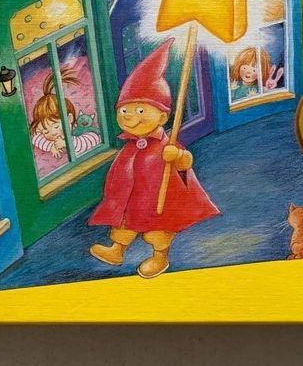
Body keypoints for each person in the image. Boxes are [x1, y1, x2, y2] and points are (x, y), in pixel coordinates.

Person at [89, 38, 220, 278]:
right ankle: (117, 250)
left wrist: (177, 155)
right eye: (124, 110)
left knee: (157, 229)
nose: (129, 116)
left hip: (159, 198)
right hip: (132, 198)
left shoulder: (166, 145)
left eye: (140, 110)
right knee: (124, 223)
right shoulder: (130, 145)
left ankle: (160, 257)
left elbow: (185, 165)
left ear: (162, 117)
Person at [29, 67, 101, 158]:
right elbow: (35, 137)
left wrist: (68, 143)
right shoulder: (51, 138)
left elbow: (95, 138)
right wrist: (51, 146)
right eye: (46, 132)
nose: (52, 133)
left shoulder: (78, 129)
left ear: (69, 118)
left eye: (56, 126)